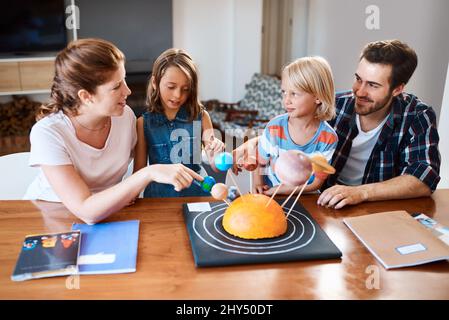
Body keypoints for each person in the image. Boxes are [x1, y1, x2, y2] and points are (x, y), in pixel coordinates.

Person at [234, 40, 441, 209]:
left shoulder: (417, 116)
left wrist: (361, 192)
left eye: (372, 85)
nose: (359, 91)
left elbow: (422, 179)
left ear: (397, 89)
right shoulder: (336, 106)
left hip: (376, 207)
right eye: (358, 79)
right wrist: (257, 141)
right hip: (327, 203)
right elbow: (298, 132)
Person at [23, 39, 204, 224]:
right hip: (52, 215)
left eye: (124, 80)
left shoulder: (125, 117)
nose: (128, 90)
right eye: (116, 86)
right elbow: (86, 210)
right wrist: (149, 173)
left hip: (113, 212)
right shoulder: (48, 133)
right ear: (86, 96)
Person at [133, 48, 224, 197]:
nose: (178, 95)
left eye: (186, 89)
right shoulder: (143, 123)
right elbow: (138, 173)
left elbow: (215, 165)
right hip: (159, 200)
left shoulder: (201, 116)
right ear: (155, 82)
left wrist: (216, 154)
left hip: (197, 197)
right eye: (171, 87)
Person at [254, 56, 338, 195]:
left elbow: (316, 183)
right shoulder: (274, 128)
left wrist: (280, 190)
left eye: (294, 94)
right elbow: (260, 162)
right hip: (271, 195)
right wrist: (258, 184)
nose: (286, 100)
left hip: (305, 197)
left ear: (318, 97)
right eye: (284, 92)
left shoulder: (328, 138)